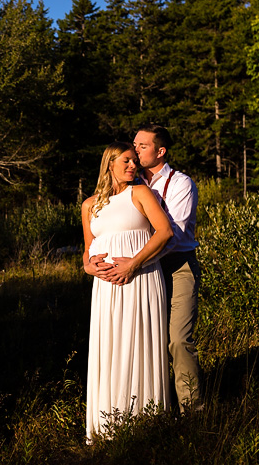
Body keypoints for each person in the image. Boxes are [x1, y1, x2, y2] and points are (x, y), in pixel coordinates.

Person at [92, 125, 202, 412]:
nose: (135, 151)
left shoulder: (180, 184)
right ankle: (145, 405)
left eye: (142, 146)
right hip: (140, 271)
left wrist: (134, 263)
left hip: (176, 266)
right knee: (143, 337)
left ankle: (191, 410)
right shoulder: (130, 181)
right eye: (134, 146)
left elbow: (172, 235)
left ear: (160, 151)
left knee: (177, 340)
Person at [81, 141, 173, 442]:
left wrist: (132, 264)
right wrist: (90, 267)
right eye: (127, 160)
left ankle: (146, 423)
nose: (134, 166)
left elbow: (164, 232)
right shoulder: (89, 205)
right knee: (109, 347)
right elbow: (86, 252)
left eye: (135, 160)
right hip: (105, 290)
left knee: (139, 342)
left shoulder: (141, 193)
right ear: (110, 164)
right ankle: (109, 426)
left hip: (140, 281)